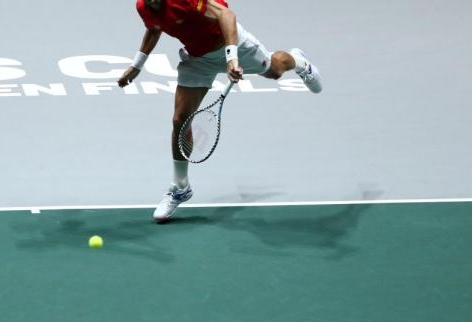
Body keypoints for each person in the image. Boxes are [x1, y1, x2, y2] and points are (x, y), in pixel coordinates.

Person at [118, 0, 323, 222]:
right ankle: (180, 187)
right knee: (180, 119)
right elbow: (154, 27)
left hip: (234, 46)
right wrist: (137, 66)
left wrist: (232, 59)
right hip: (198, 60)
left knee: (274, 70)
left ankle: (300, 62)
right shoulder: (143, 7)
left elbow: (226, 15)